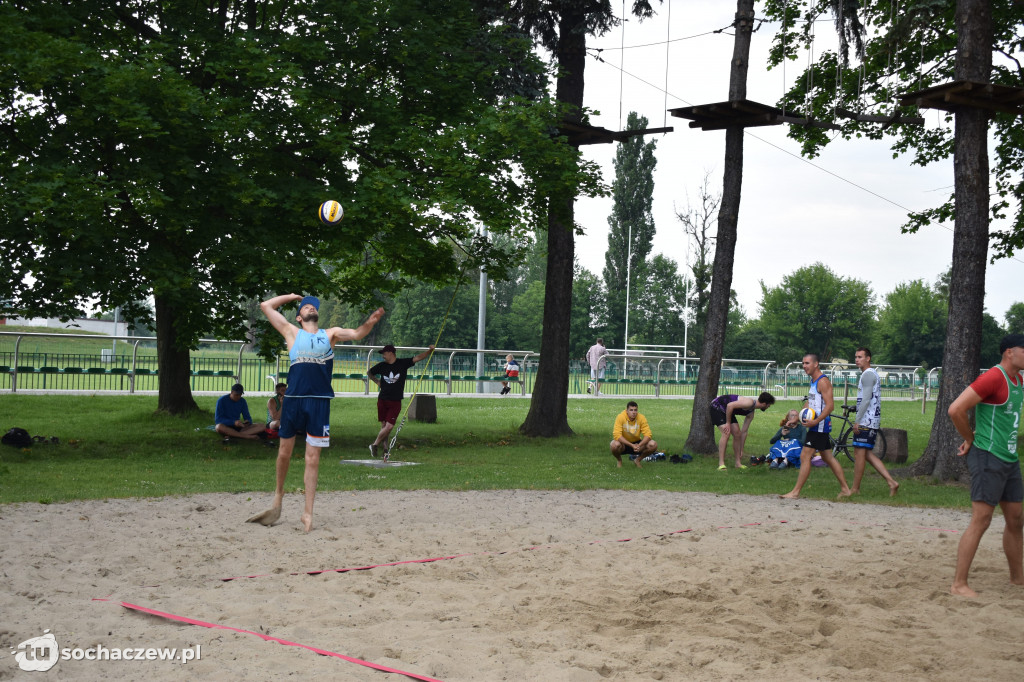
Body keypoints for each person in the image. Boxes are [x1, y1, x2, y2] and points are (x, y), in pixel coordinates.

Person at [251, 294, 384, 532]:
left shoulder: (330, 334)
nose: (311, 307)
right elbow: (266, 305)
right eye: (306, 307)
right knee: (284, 453)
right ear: (300, 317)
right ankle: (278, 499)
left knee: (313, 459)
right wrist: (293, 297)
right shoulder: (291, 332)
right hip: (293, 401)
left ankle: (307, 513)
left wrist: (371, 322)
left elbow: (356, 334)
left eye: (314, 306)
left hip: (320, 402)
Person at [948, 333, 1024, 597]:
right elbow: (955, 409)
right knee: (982, 519)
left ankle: (1017, 579)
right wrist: (970, 439)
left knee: (1016, 519)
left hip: (1010, 459)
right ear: (1009, 353)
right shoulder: (993, 377)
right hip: (988, 455)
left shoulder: (1019, 380)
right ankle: (959, 584)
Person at [781, 354, 852, 499]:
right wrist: (797, 420)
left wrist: (816, 421)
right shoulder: (813, 381)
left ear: (816, 364)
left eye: (807, 363)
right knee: (828, 457)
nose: (804, 366)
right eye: (803, 363)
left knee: (805, 455)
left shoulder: (823, 381)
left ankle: (795, 492)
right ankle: (846, 489)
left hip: (819, 426)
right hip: (816, 425)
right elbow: (810, 404)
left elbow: (830, 406)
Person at [368, 343, 435, 458]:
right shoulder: (381, 366)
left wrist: (429, 351)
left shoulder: (402, 363)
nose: (383, 356)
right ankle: (385, 449)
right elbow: (369, 373)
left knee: (389, 426)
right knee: (384, 425)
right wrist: (377, 382)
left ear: (391, 353)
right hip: (382, 399)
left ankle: (374, 444)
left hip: (395, 400)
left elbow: (418, 358)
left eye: (384, 353)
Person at [851, 347, 899, 496]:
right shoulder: (872, 374)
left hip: (866, 421)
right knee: (866, 454)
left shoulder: (867, 375)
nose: (857, 359)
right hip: (871, 420)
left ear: (868, 358)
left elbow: (866, 400)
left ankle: (855, 489)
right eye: (856, 357)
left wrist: (857, 420)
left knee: (859, 454)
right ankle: (892, 482)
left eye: (860, 357)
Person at [709, 391, 776, 470]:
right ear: (764, 404)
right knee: (726, 433)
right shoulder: (749, 402)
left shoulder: (751, 413)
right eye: (769, 405)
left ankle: (738, 463)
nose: (768, 407)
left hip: (727, 410)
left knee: (737, 434)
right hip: (717, 406)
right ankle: (721, 464)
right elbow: (730, 405)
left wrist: (741, 449)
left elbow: (744, 432)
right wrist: (728, 423)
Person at [610, 400, 658, 468]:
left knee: (653, 444)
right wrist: (631, 445)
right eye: (631, 410)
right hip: (624, 444)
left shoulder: (641, 418)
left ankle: (638, 460)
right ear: (627, 411)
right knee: (614, 445)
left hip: (637, 444)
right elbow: (617, 435)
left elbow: (648, 435)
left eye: (635, 410)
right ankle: (619, 460)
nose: (633, 412)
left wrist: (639, 445)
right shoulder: (620, 417)